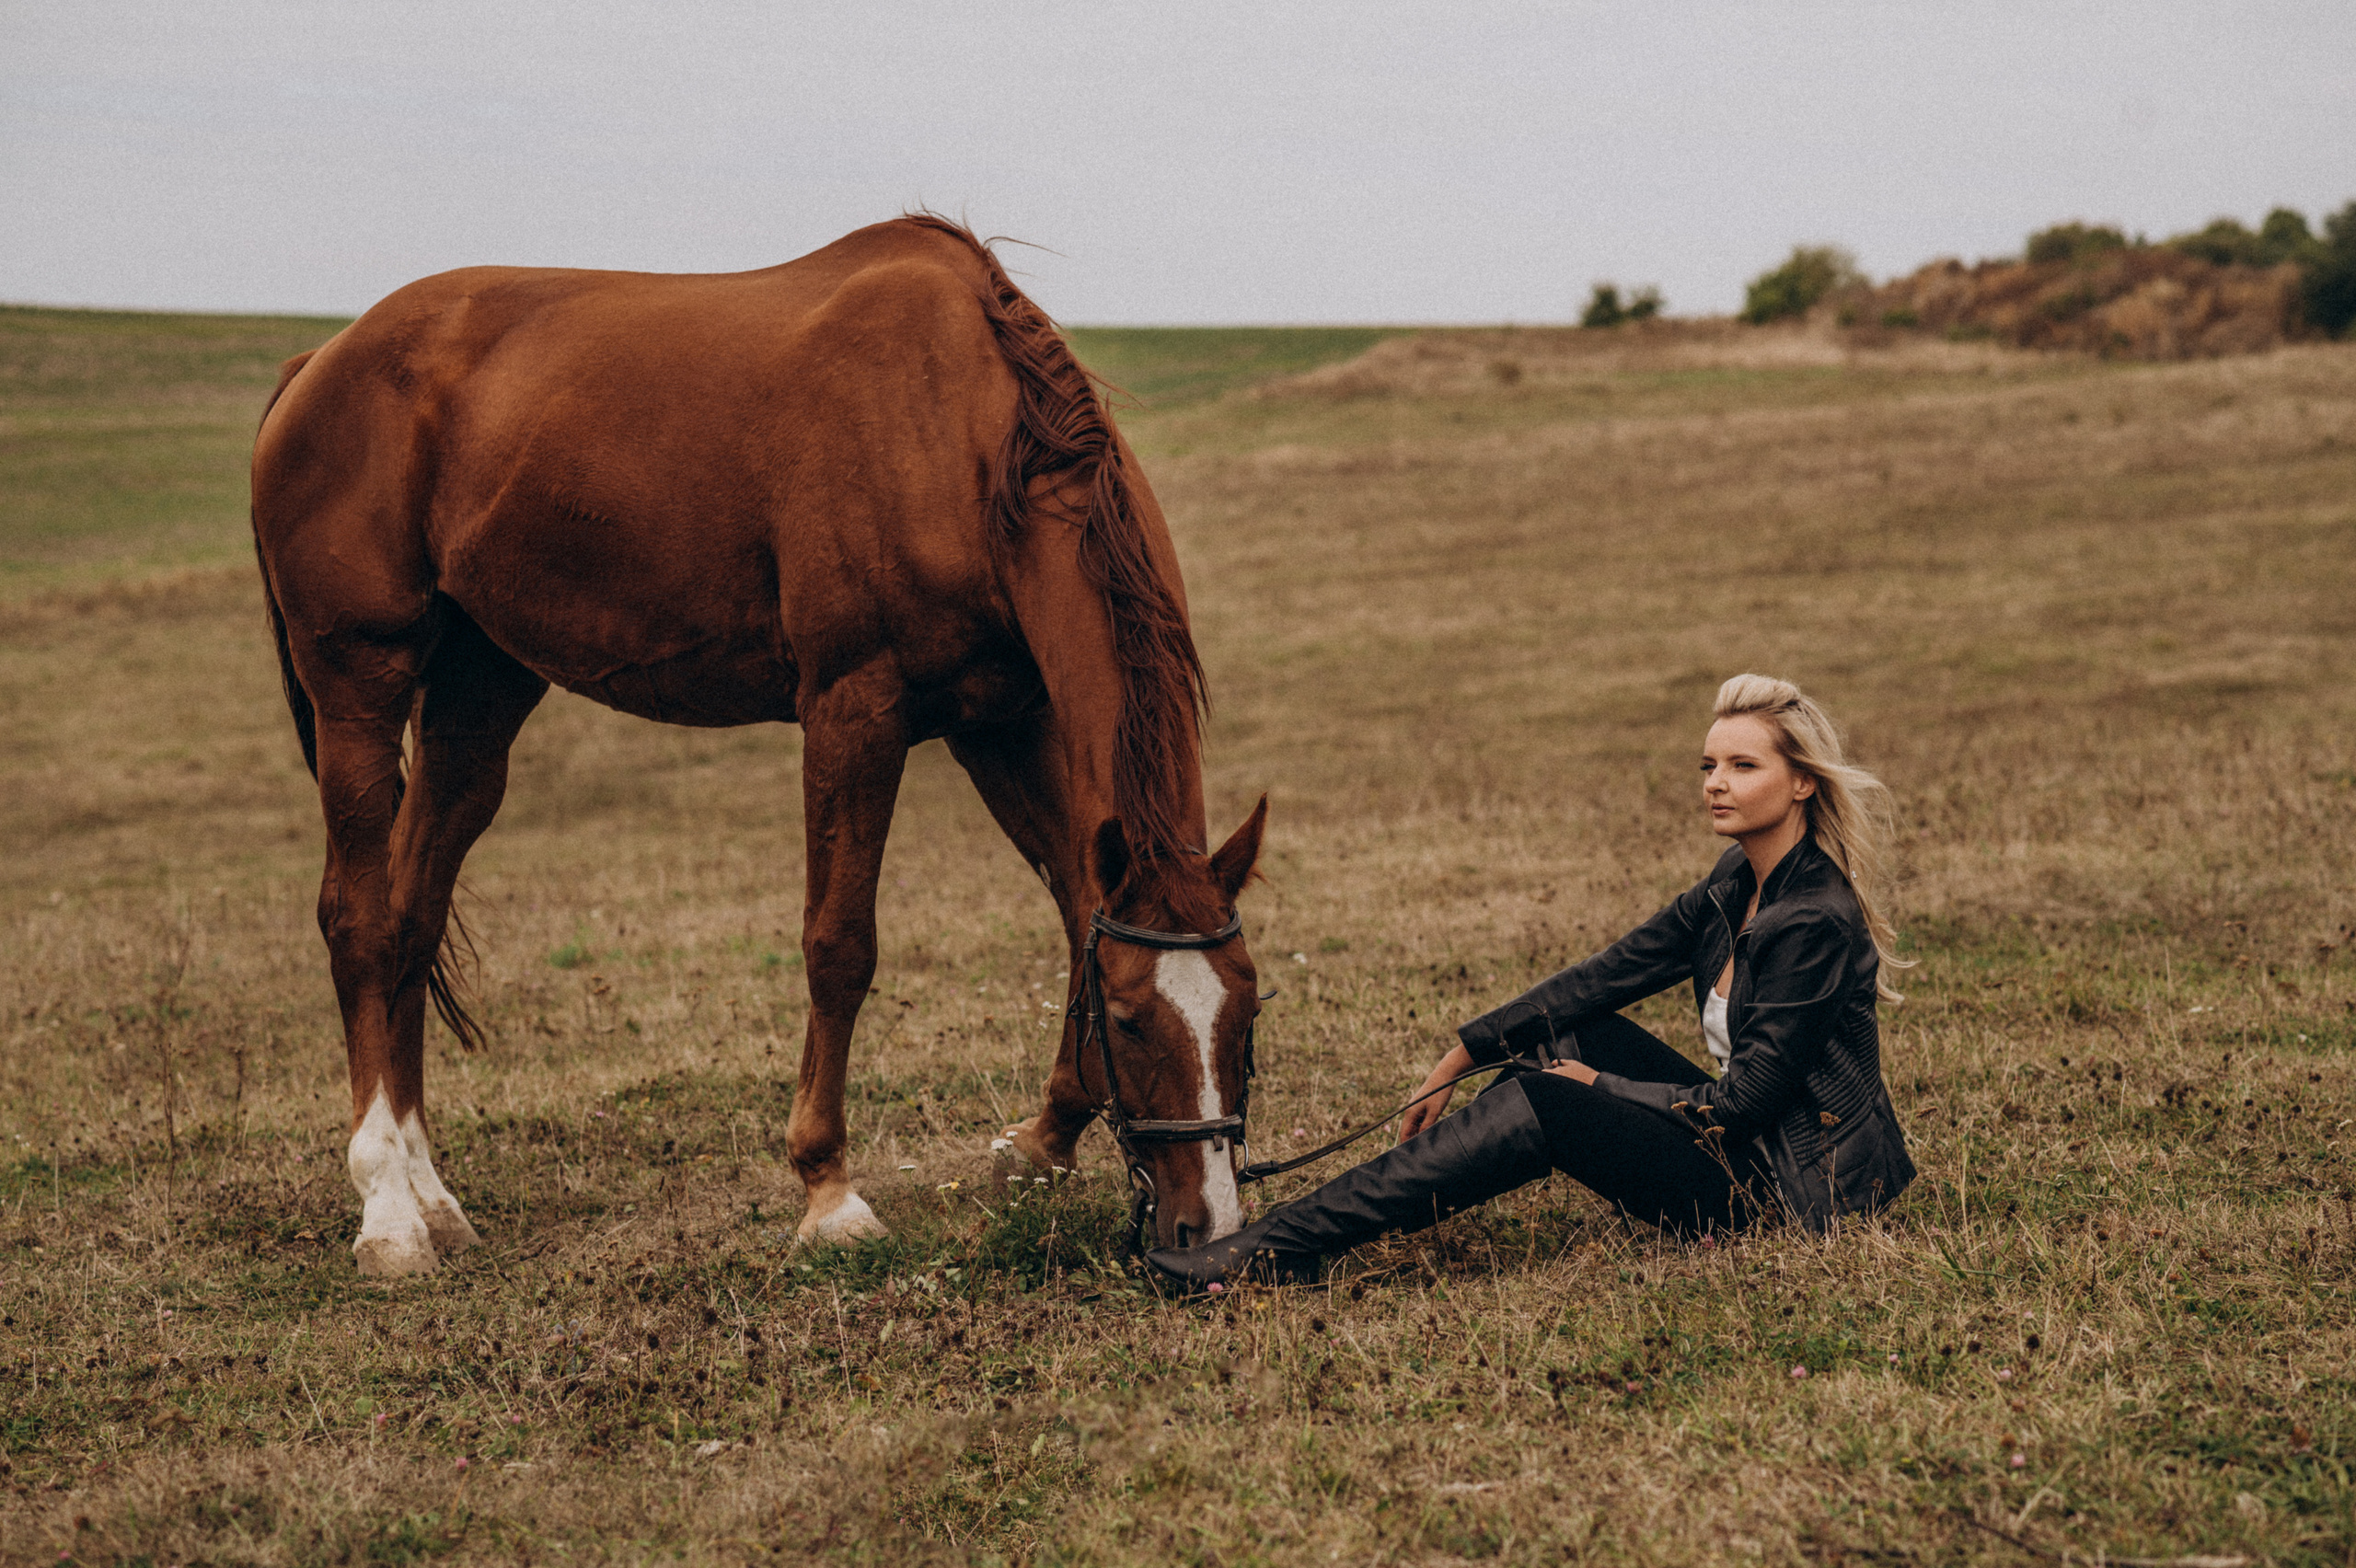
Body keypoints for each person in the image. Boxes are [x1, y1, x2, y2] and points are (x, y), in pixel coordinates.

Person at [1146, 673, 1917, 1291]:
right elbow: (1610, 973)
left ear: (1803, 784)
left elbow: (1743, 1104)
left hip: (1793, 1197)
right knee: (1560, 1038)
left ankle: (1282, 1247)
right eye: (1709, 765)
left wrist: (1595, 1087)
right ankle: (1295, 1237)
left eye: (1744, 767)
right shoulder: (1735, 881)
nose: (1716, 783)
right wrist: (1465, 1051)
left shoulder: (1810, 920)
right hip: (1752, 1152)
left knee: (1554, 1090)